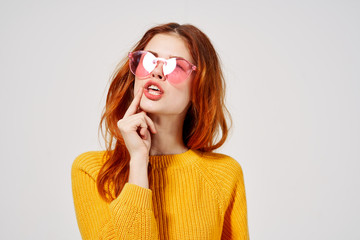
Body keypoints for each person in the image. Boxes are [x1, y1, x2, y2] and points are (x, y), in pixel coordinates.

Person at [71, 22, 250, 240]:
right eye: (148, 61)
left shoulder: (224, 175)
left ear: (199, 88)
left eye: (175, 67)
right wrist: (138, 161)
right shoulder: (94, 172)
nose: (156, 71)